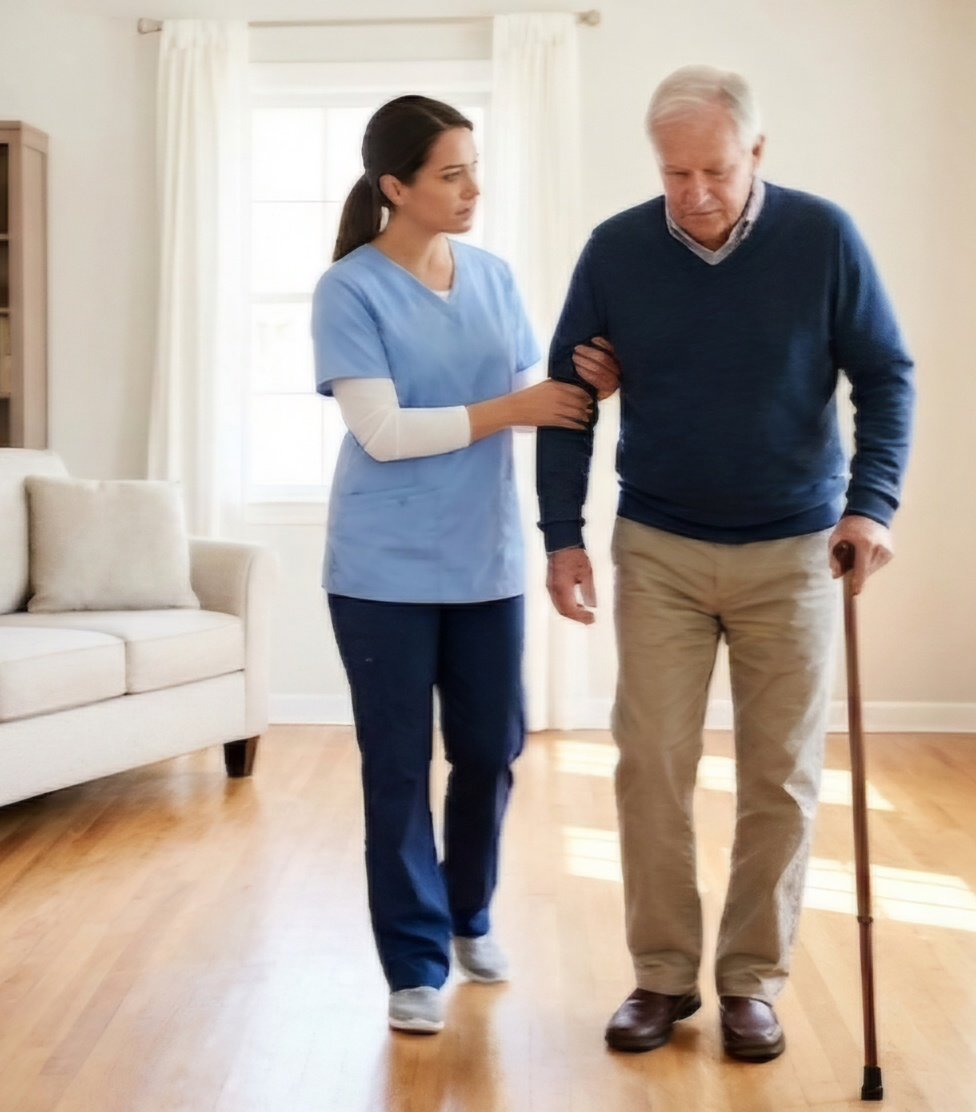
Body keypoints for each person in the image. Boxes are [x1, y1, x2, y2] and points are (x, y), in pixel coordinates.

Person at [537, 65, 915, 1062]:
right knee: (651, 765)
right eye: (674, 174)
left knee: (778, 776)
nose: (694, 194)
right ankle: (662, 974)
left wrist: (870, 504)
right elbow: (569, 393)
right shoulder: (616, 250)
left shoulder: (823, 238)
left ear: (756, 153)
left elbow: (885, 374)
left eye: (714, 168)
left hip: (793, 548)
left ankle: (750, 979)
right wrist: (561, 534)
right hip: (657, 542)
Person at [311, 94, 614, 1034]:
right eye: (450, 173)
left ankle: (468, 913)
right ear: (394, 188)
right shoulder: (349, 289)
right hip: (381, 572)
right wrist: (509, 413)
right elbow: (384, 430)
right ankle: (411, 960)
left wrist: (588, 384)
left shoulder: (492, 276)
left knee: (491, 751)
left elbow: (535, 397)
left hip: (485, 563)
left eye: (473, 167)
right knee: (397, 768)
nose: (472, 187)